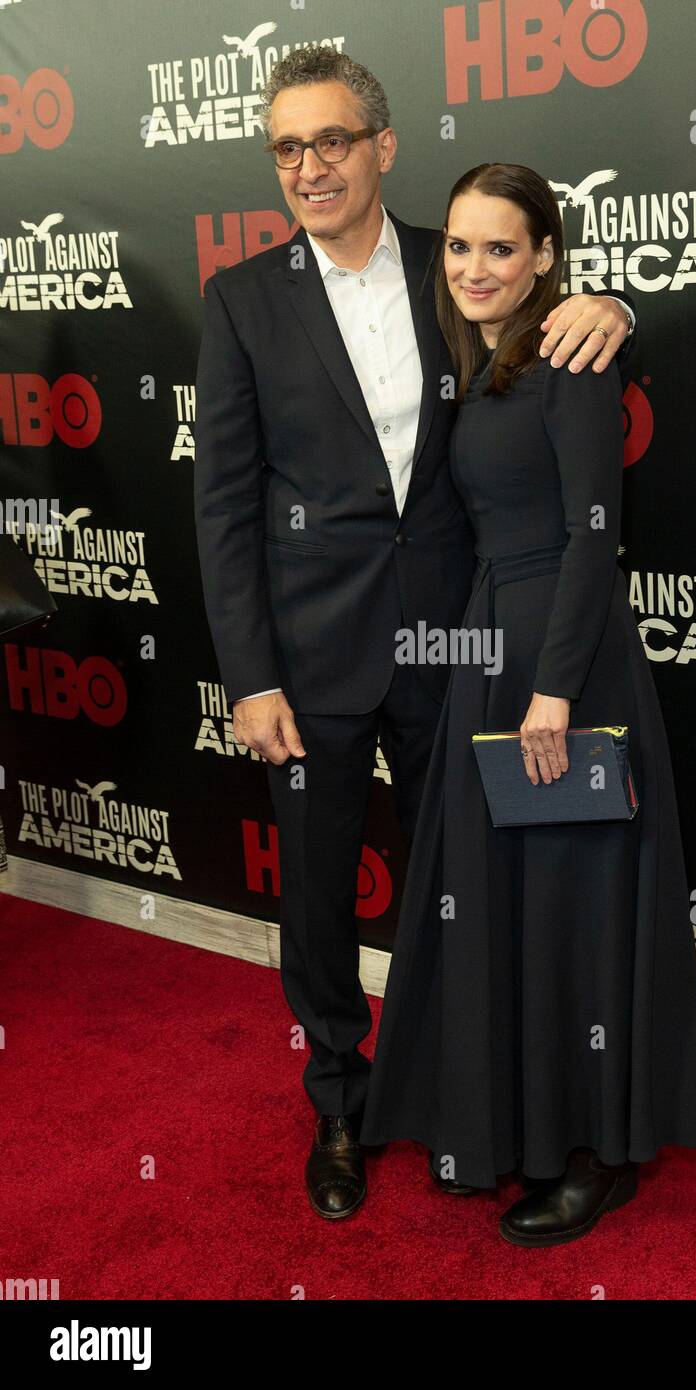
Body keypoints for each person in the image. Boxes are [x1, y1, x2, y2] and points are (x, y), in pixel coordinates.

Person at [193, 45, 639, 1222]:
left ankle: (477, 1094)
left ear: (383, 146)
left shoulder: (453, 271)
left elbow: (539, 313)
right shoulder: (242, 298)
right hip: (314, 658)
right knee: (321, 900)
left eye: (332, 140)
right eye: (287, 146)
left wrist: (605, 299)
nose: (310, 166)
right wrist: (249, 676)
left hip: (468, 647)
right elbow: (224, 505)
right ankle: (340, 1103)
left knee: (491, 882)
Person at [359, 163, 696, 1247]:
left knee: (576, 904)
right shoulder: (480, 358)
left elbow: (590, 537)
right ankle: (514, 1125)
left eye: (501, 248)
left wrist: (555, 694)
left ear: (546, 256)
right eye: (460, 248)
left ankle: (601, 1154)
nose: (474, 268)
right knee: (513, 900)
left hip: (563, 665)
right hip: (491, 651)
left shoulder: (569, 355)